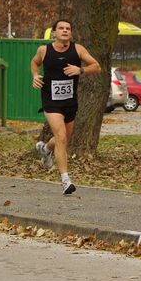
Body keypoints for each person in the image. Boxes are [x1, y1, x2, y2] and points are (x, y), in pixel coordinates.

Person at [31, 19, 100, 194]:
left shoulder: (78, 50)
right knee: (61, 136)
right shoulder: (44, 50)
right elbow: (34, 63)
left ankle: (45, 149)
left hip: (70, 102)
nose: (65, 30)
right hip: (51, 100)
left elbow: (96, 66)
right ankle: (66, 180)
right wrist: (35, 76)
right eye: (61, 28)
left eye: (68, 28)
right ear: (54, 32)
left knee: (63, 138)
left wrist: (81, 70)